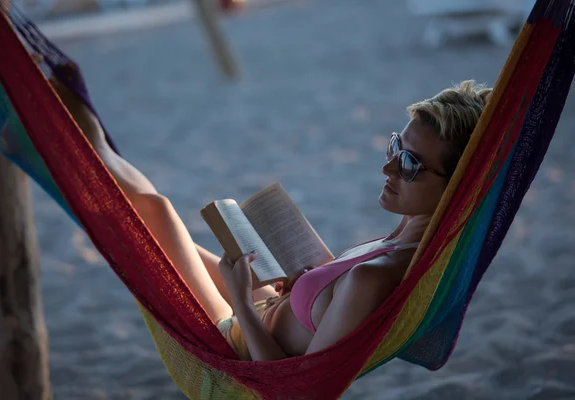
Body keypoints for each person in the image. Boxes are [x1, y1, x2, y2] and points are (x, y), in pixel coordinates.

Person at [50, 73, 492, 361]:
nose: (389, 167)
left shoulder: (375, 277)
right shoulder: (398, 242)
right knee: (153, 217)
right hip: (262, 309)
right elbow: (323, 315)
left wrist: (242, 300)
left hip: (233, 345)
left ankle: (57, 133)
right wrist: (302, 283)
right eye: (396, 146)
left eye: (411, 164)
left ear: (456, 185)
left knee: (149, 218)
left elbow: (296, 387)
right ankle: (64, 122)